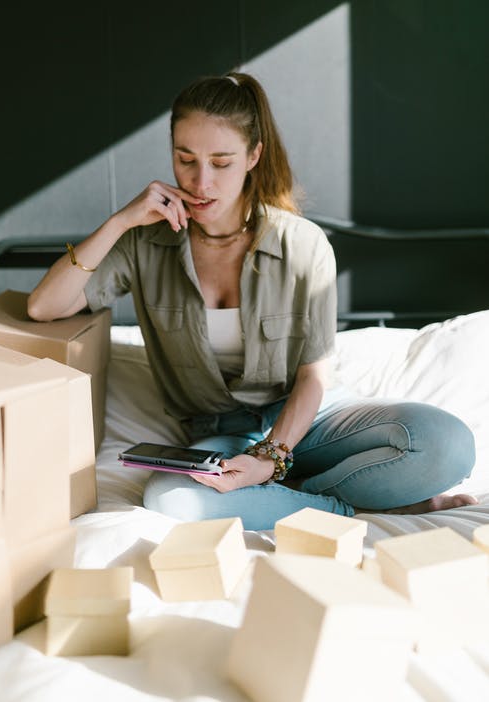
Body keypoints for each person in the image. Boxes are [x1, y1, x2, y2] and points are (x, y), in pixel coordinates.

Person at [28, 71, 477, 530]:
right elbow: (45, 307)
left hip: (310, 418)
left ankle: (282, 494)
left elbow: (314, 376)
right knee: (172, 500)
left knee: (447, 444)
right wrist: (121, 221)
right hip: (219, 433)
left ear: (253, 156)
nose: (201, 182)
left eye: (221, 163)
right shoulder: (144, 243)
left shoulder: (301, 244)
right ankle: (350, 507)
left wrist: (270, 457)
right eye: (186, 159)